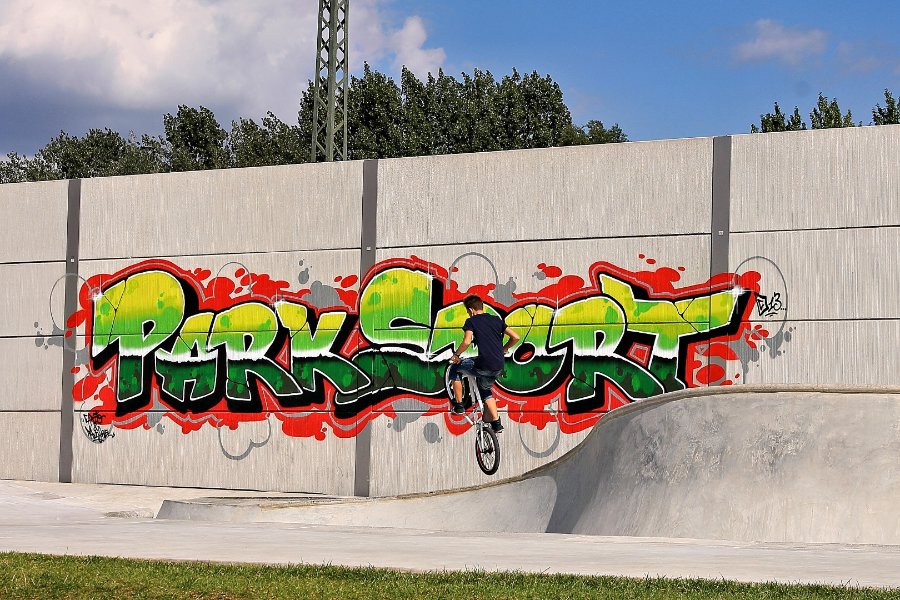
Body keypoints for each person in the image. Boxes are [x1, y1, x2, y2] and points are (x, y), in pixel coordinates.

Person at [448, 294, 520, 433]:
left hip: (484, 364)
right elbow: (515, 337)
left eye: (468, 312)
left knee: (455, 368)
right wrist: (503, 349)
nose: (468, 314)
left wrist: (456, 355)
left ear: (471, 310)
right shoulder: (496, 320)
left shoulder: (471, 321)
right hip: (498, 365)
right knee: (485, 389)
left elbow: (467, 341)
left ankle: (459, 405)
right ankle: (496, 423)